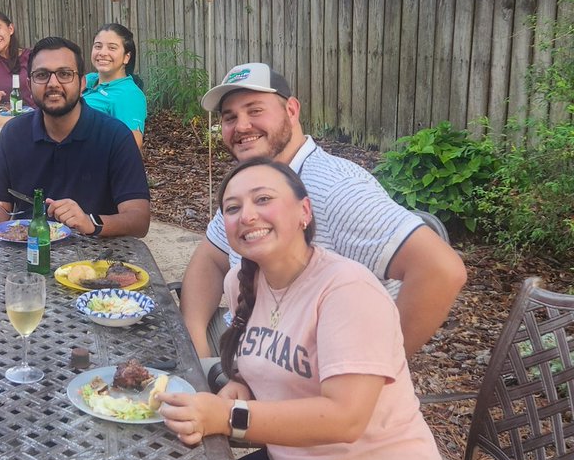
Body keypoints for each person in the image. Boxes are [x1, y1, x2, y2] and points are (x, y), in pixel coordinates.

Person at [152, 158, 449, 460]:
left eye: (263, 199)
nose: (247, 214)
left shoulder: (346, 289)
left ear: (303, 212)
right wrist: (242, 387)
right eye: (233, 207)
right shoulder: (243, 280)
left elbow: (345, 419)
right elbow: (265, 364)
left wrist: (230, 415)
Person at [181, 62, 467, 358]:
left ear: (291, 111)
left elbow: (441, 269)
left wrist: (376, 372)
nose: (241, 126)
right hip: (244, 344)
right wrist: (196, 346)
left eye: (255, 111)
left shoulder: (335, 188)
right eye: (230, 117)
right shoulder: (253, 181)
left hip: (303, 373)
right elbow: (211, 259)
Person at [0, 37, 151, 238]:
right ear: (29, 84)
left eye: (65, 74)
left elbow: (139, 220)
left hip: (94, 257)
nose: (53, 83)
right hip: (28, 252)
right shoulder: (14, 133)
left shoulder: (115, 136)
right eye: (42, 75)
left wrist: (91, 221)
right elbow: (1, 210)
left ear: (82, 83)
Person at [83, 22, 147, 148]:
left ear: (126, 57)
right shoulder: (88, 79)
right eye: (98, 46)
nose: (102, 52)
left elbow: (131, 147)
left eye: (112, 48)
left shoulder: (129, 95)